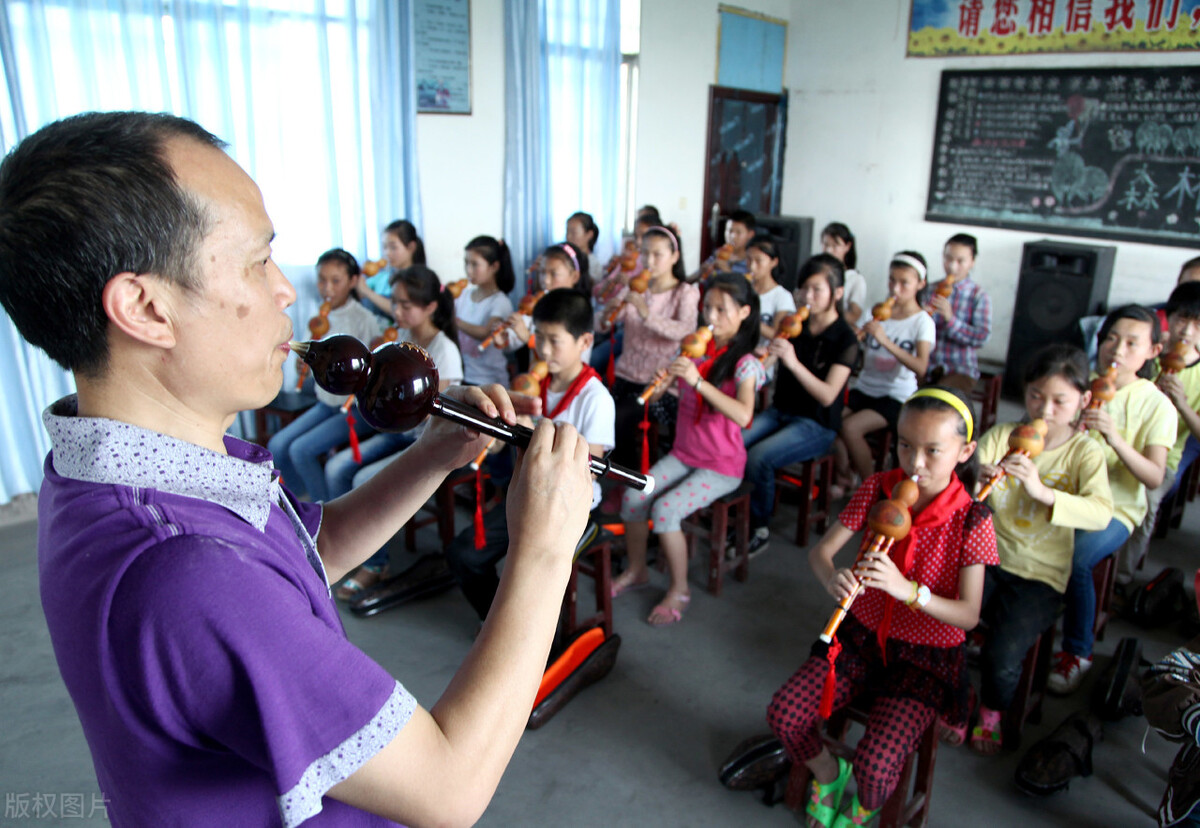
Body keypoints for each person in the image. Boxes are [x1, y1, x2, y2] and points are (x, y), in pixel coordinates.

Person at [0, 111, 594, 826]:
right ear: (145, 307)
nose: (287, 290)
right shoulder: (188, 573)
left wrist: (433, 456)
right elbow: (449, 788)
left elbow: (302, 558)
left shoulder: (105, 469)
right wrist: (545, 546)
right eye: (257, 260)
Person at [767, 387, 996, 828]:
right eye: (905, 445)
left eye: (933, 451)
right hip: (858, 638)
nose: (916, 463)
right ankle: (829, 774)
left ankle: (866, 804)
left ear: (965, 451)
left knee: (876, 766)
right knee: (784, 713)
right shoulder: (878, 488)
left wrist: (907, 590)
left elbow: (968, 615)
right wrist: (831, 576)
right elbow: (821, 553)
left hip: (923, 663)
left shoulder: (972, 519)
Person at [967, 345, 1112, 755]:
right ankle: (955, 701)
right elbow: (965, 492)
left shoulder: (1085, 452)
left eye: (1059, 400)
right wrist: (978, 477)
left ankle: (992, 712)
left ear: (1083, 401)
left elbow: (1101, 514)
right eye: (1034, 396)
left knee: (1003, 652)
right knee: (946, 628)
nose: (1044, 409)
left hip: (1042, 574)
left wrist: (1042, 491)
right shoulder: (1001, 436)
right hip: (989, 558)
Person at [444, 289, 614, 621]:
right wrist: (496, 431)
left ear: (585, 342)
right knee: (463, 554)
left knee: (527, 576)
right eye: (538, 337)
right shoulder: (531, 381)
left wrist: (531, 438)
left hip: (571, 506)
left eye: (555, 340)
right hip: (527, 494)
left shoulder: (597, 399)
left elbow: (588, 472)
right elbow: (497, 445)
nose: (544, 349)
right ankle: (496, 621)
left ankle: (534, 642)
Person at [612, 273, 765, 625]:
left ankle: (679, 588)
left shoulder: (746, 363)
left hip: (721, 465)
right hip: (685, 453)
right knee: (634, 495)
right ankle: (638, 570)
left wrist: (697, 382)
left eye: (721, 309)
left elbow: (743, 415)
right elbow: (681, 396)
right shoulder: (694, 347)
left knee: (666, 510)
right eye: (707, 307)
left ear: (744, 312)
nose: (711, 316)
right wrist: (665, 385)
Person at [1050, 305, 1176, 694]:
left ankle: (1078, 652)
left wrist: (1114, 437)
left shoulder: (1156, 404)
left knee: (1077, 557)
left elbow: (1154, 477)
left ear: (1153, 351)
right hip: (1064, 492)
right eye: (1110, 339)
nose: (1117, 350)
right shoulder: (1081, 386)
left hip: (1117, 508)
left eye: (1131, 343)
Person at [327, 265, 465, 598]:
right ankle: (344, 547)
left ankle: (376, 564)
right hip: (399, 433)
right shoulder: (402, 339)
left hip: (424, 442)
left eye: (405, 305)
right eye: (396, 303)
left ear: (431, 307)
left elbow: (434, 419)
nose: (397, 311)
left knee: (362, 480)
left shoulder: (445, 351)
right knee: (335, 468)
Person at [742, 254, 859, 557]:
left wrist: (791, 362)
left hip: (817, 423)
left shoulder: (845, 339)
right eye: (804, 289)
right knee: (734, 440)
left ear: (838, 292)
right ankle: (738, 508)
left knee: (758, 457)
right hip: (781, 410)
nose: (808, 297)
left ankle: (759, 526)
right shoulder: (794, 324)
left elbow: (828, 395)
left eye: (817, 289)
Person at [266, 248, 383, 501]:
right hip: (326, 403)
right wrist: (306, 369)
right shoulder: (318, 318)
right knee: (277, 445)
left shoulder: (365, 319)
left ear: (353, 282)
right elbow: (314, 365)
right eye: (322, 280)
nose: (327, 288)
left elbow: (372, 373)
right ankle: (299, 498)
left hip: (354, 409)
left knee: (301, 450)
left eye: (336, 281)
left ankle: (324, 510)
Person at [600, 225, 700, 478]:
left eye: (657, 254)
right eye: (645, 254)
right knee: (597, 409)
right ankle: (607, 473)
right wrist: (608, 313)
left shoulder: (685, 292)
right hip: (625, 374)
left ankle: (627, 478)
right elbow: (603, 325)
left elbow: (686, 331)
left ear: (674, 257)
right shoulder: (637, 286)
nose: (649, 261)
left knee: (618, 418)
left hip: (660, 384)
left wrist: (646, 313)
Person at [835, 251, 935, 493]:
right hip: (864, 388)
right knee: (830, 423)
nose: (895, 289)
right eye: (892, 280)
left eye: (904, 283)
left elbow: (921, 367)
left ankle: (873, 489)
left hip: (896, 396)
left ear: (920, 285)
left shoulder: (922, 321)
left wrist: (885, 340)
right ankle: (847, 476)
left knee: (850, 428)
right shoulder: (875, 312)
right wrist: (854, 338)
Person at [1120, 282, 1200, 581]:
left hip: (1163, 459)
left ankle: (1122, 578)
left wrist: (1180, 402)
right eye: (1182, 319)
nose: (1187, 331)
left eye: (1197, 324)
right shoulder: (1147, 355)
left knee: (1146, 504)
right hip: (1121, 444)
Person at [500, 242, 592, 372]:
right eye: (542, 273)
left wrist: (528, 338)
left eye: (553, 274)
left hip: (565, 385)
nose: (546, 281)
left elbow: (578, 360)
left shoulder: (580, 312)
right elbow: (513, 342)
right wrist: (503, 338)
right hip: (538, 383)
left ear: (574, 276)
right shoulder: (538, 305)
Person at [925, 233, 992, 394]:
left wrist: (950, 319)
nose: (952, 266)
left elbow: (981, 338)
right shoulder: (929, 289)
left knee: (939, 398)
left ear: (972, 262)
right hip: (927, 363)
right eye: (948, 259)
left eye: (960, 261)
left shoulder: (978, 295)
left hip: (960, 367)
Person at [454, 235, 515, 387]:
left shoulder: (500, 301)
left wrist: (455, 321)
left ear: (494, 266)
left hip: (491, 381)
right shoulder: (463, 295)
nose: (468, 270)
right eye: (466, 263)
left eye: (475, 264)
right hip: (466, 376)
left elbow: (485, 332)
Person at [355, 219, 426, 318]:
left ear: (411, 247)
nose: (387, 253)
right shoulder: (381, 277)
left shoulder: (421, 279)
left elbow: (403, 311)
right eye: (384, 247)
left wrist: (368, 292)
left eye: (393, 247)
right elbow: (359, 292)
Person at [746, 237, 797, 357]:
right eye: (748, 259)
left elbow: (778, 334)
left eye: (759, 261)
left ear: (774, 262)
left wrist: (747, 316)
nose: (752, 266)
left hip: (763, 360)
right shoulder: (743, 289)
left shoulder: (782, 297)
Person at [820, 222, 867, 325]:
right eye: (825, 244)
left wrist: (825, 311)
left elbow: (854, 316)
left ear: (847, 246)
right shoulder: (817, 274)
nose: (829, 250)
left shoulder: (855, 279)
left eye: (835, 245)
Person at [697, 209, 756, 280]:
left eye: (738, 232)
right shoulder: (718, 253)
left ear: (750, 234)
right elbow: (698, 279)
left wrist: (727, 272)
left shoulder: (752, 262)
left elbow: (748, 287)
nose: (732, 236)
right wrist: (702, 270)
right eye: (729, 231)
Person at [566, 211, 604, 286]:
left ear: (589, 235)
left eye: (574, 233)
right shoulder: (565, 259)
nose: (568, 237)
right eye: (567, 232)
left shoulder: (594, 264)